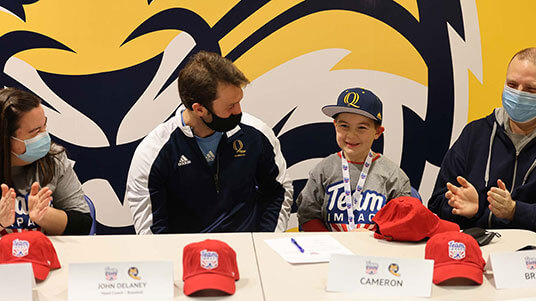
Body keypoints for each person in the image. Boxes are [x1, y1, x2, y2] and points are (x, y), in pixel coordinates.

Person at [428, 47, 536, 247]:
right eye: (512, 84)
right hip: (477, 257)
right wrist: (469, 209)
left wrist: (515, 212)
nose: (518, 94)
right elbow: (437, 203)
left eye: (530, 89)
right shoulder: (475, 134)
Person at [126, 51, 293, 234]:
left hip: (248, 253)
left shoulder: (256, 134)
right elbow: (151, 232)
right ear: (199, 109)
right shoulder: (153, 153)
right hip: (185, 257)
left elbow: (278, 192)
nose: (239, 111)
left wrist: (264, 242)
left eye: (239, 101)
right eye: (230, 106)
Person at [296, 88, 411, 232]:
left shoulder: (393, 176)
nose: (351, 135)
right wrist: (333, 245)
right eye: (344, 126)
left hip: (376, 250)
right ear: (335, 126)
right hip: (331, 250)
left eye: (361, 127)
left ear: (377, 132)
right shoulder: (323, 170)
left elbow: (404, 222)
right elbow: (308, 215)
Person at [0, 88, 91, 236]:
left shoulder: (54, 158)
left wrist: (45, 215)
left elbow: (83, 224)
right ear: (6, 138)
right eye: (36, 131)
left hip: (46, 256)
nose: (44, 136)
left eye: (44, 126)